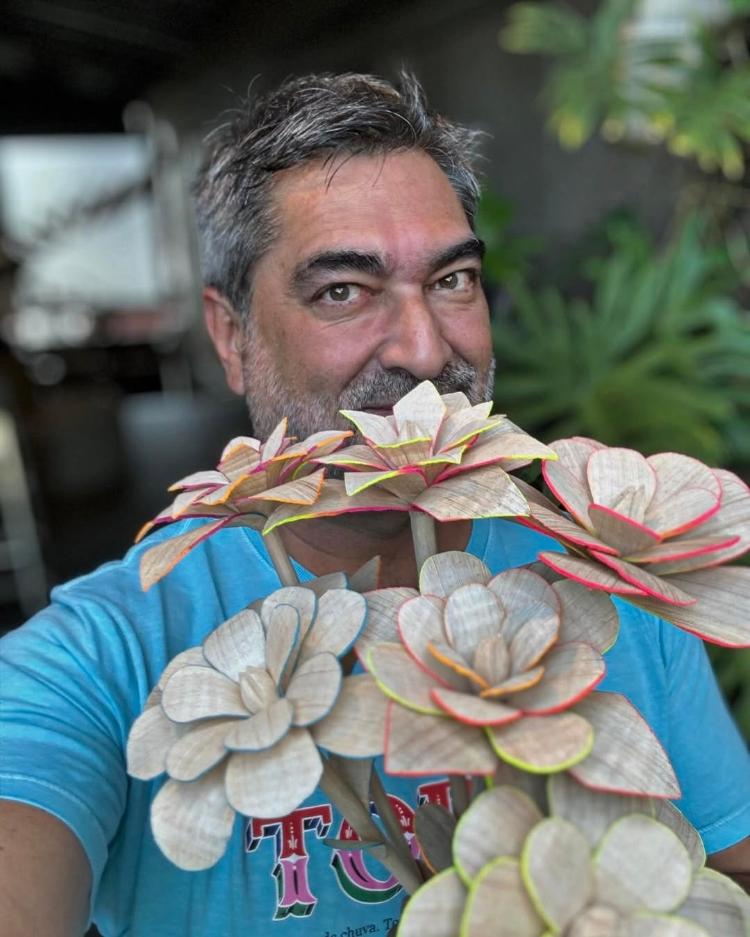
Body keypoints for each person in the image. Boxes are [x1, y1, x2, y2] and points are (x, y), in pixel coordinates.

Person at [1, 72, 748, 937]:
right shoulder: (103, 653)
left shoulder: (613, 576)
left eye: (453, 279)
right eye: (343, 291)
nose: (426, 351)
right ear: (232, 337)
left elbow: (730, 876)